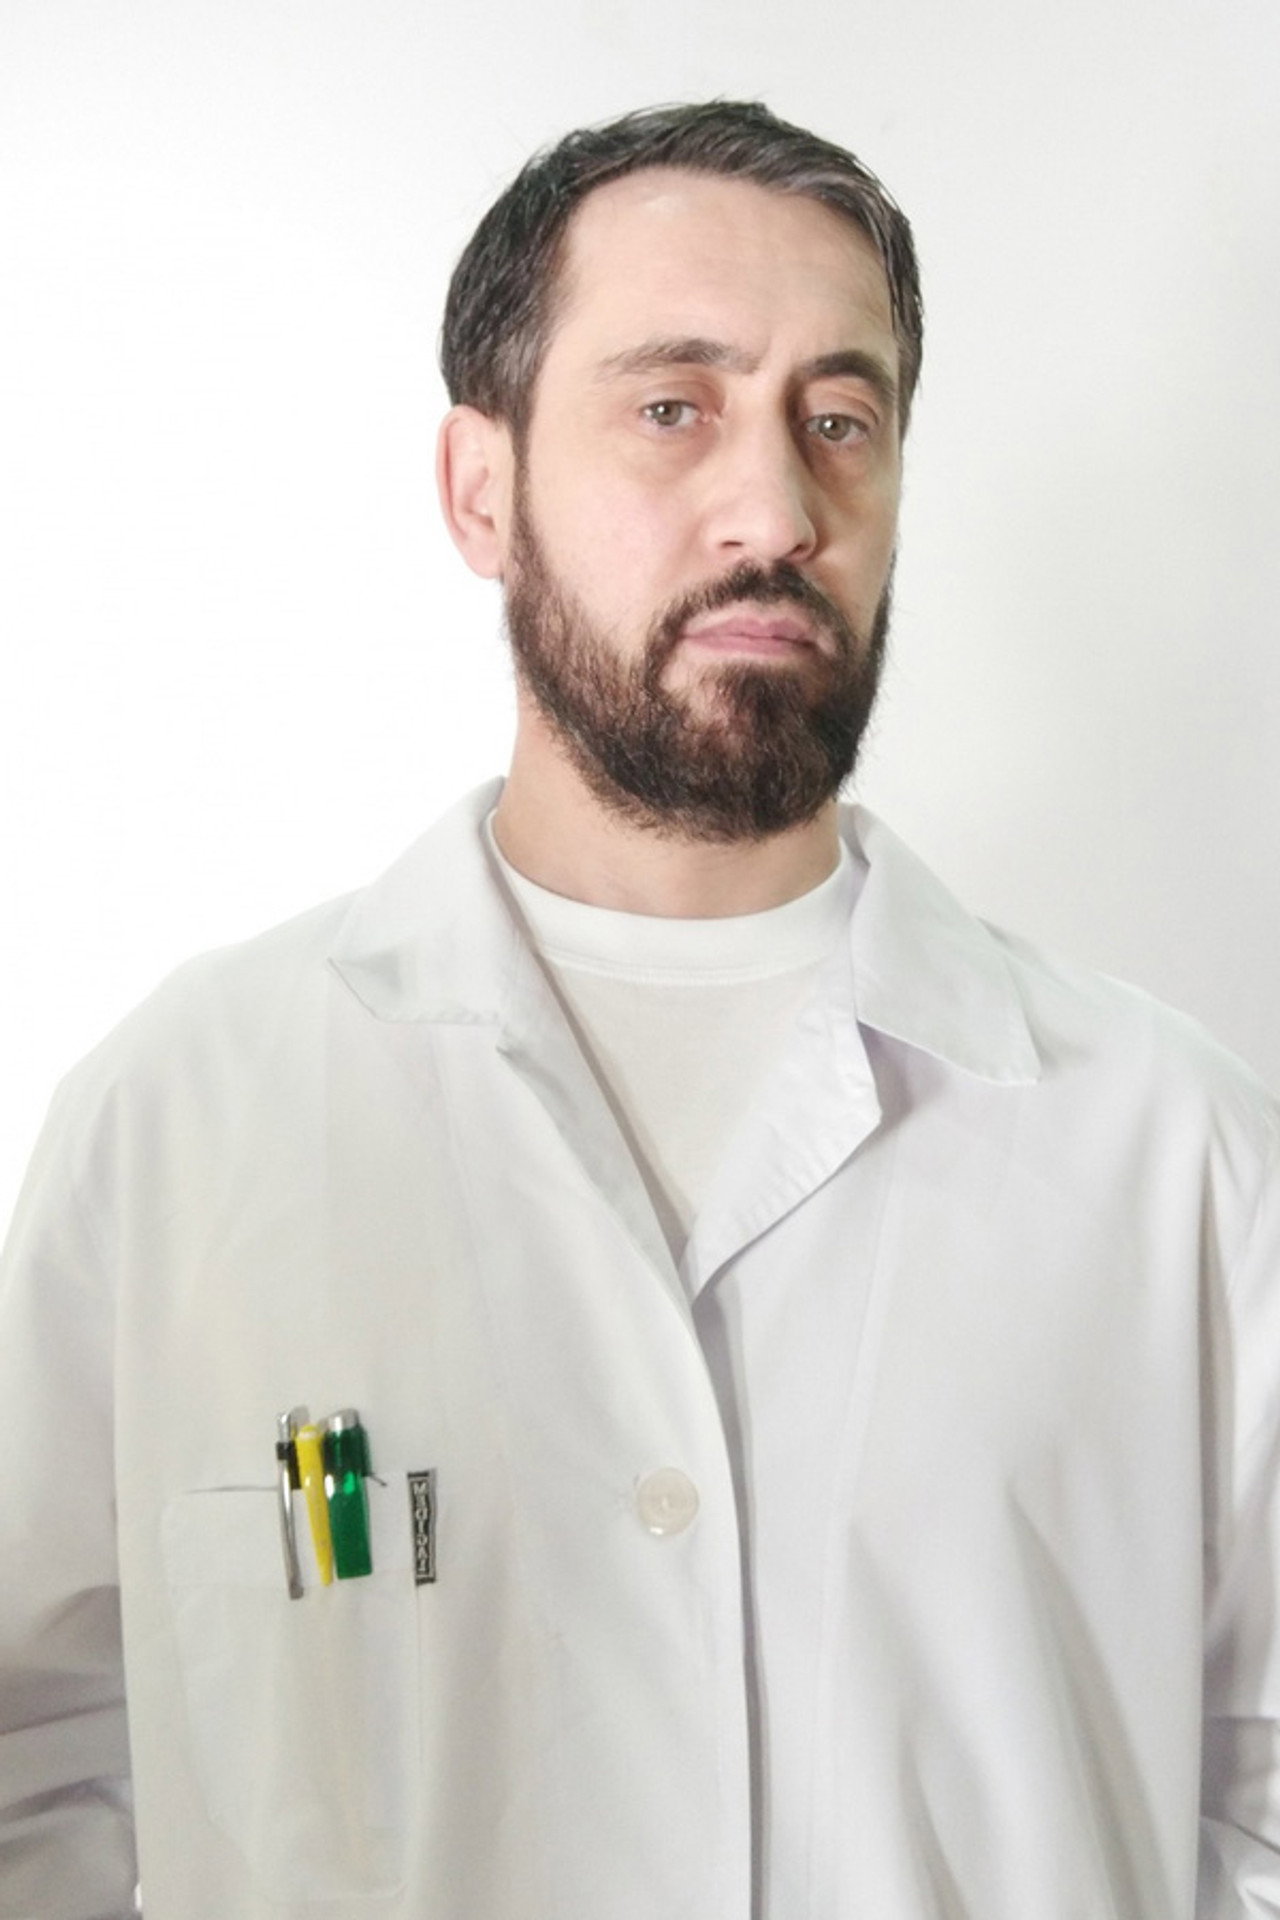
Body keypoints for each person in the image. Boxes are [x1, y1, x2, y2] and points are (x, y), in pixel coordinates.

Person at [1, 98, 1277, 1920]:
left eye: (839, 420)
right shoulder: (180, 1124)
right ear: (482, 489)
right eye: (674, 406)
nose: (777, 510)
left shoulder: (1177, 1151)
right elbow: (35, 1769)